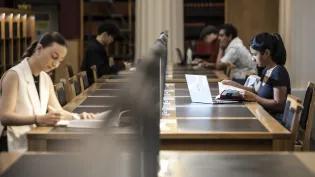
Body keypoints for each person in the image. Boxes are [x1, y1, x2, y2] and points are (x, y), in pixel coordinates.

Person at [0, 32, 94, 152]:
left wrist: (79, 117)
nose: (56, 64)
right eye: (54, 57)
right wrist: (38, 119)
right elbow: (5, 116)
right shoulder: (14, 75)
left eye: (60, 61)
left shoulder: (45, 78)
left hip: (34, 139)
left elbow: (57, 110)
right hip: (10, 144)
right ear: (39, 49)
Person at [221, 32, 290, 122]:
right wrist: (234, 85)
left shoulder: (278, 72)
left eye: (254, 54)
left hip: (273, 121)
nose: (253, 58)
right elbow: (257, 91)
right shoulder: (266, 70)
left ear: (266, 53)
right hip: (263, 115)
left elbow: (279, 105)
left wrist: (254, 98)